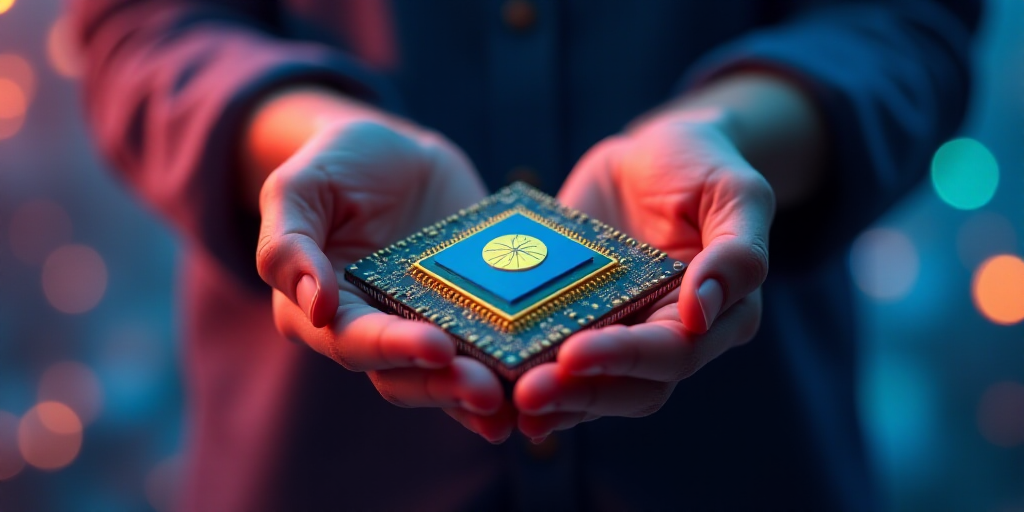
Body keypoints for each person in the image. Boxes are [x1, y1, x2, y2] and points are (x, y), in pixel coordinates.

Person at [70, 1, 979, 510]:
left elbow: (906, 20)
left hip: (746, 468)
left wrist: (734, 131)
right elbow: (141, 27)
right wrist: (300, 137)